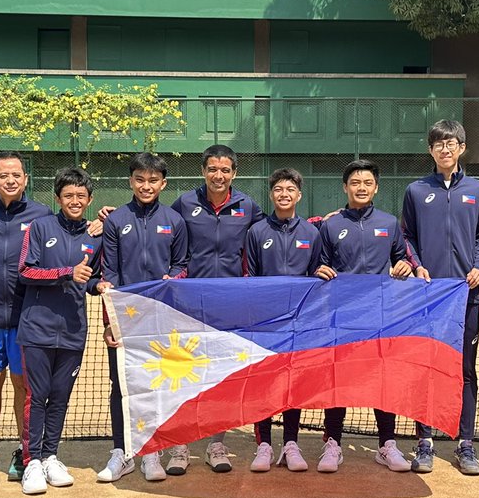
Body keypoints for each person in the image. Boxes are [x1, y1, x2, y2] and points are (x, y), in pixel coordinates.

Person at [314, 159, 429, 473]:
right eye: (354, 182)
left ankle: (386, 444)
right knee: (338, 380)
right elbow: (318, 264)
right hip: (341, 317)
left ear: (376, 187)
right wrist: (318, 270)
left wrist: (405, 265)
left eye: (367, 182)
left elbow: (400, 258)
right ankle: (333, 443)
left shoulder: (389, 222)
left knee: (382, 380)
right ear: (345, 187)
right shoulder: (331, 225)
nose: (361, 187)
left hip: (380, 316)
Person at [401, 120, 479, 475]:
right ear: (430, 150)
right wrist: (418, 266)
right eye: (438, 143)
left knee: (464, 369)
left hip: (464, 297)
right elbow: (406, 238)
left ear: (462, 148)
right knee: (426, 368)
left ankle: (465, 444)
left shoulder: (478, 190)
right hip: (428, 297)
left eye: (451, 143)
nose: (445, 149)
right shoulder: (416, 190)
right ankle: (424, 441)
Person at [170, 144, 264, 474]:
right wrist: (109, 216)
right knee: (185, 373)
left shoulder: (247, 205)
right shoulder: (184, 203)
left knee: (221, 376)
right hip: (188, 304)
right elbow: (156, 221)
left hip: (230, 305)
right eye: (212, 169)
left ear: (234, 173)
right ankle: (180, 445)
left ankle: (215, 443)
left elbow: (276, 229)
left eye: (225, 170)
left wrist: (318, 222)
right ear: (203, 171)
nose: (218, 175)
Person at [97, 152, 189, 484]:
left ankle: (152, 451)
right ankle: (122, 452)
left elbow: (182, 266)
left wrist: (172, 281)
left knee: (157, 384)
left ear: (163, 183)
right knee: (121, 385)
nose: (146, 186)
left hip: (162, 319)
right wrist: (111, 321)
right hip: (125, 318)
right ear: (131, 181)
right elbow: (110, 274)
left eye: (153, 180)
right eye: (140, 179)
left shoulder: (175, 220)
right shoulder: (115, 220)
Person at [16, 168, 104, 495]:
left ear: (90, 199)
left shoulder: (96, 235)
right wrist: (67, 272)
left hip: (73, 330)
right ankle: (32, 462)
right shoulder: (40, 228)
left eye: (81, 196)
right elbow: (25, 271)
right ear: (58, 199)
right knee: (36, 397)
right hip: (37, 328)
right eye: (69, 195)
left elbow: (92, 278)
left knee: (61, 398)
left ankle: (51, 455)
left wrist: (99, 284)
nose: (75, 201)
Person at [0, 152, 52, 484]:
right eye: (4, 175)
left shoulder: (41, 213)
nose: (11, 180)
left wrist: (101, 221)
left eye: (17, 174)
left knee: (23, 386)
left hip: (25, 319)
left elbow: (67, 235)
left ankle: (23, 449)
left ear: (25, 179)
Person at [244, 168, 322, 472]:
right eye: (278, 189)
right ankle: (264, 444)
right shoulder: (257, 232)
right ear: (271, 194)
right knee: (263, 381)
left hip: (298, 323)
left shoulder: (311, 233)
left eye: (290, 189)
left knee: (293, 383)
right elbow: (249, 277)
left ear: (299, 195)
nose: (284, 194)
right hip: (265, 323)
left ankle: (290, 443)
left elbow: (317, 274)